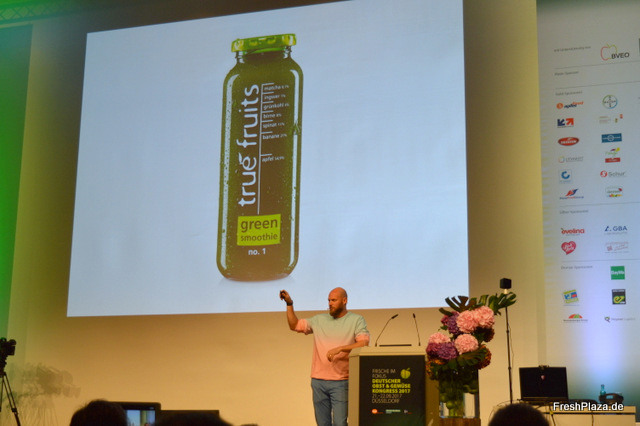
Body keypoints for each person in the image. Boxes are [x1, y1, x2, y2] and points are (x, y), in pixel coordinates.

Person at [280, 287, 370, 426]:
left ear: (344, 301)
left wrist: (341, 348)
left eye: (333, 300)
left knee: (340, 423)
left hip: (341, 381)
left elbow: (364, 343)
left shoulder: (356, 320)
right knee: (322, 423)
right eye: (329, 300)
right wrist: (289, 304)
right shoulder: (319, 319)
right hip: (318, 381)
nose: (330, 303)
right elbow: (294, 325)